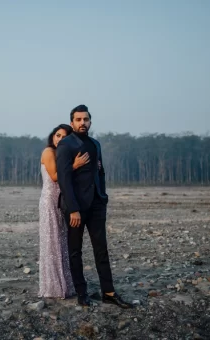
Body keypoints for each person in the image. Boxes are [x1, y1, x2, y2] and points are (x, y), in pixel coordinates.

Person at [55, 104, 132, 308]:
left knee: (101, 250)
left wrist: (103, 195)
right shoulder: (66, 145)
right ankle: (82, 293)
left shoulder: (96, 144)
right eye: (78, 120)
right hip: (76, 208)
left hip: (97, 204)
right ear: (72, 122)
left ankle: (109, 292)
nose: (83, 123)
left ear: (90, 121)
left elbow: (100, 172)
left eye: (86, 119)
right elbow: (63, 178)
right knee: (75, 251)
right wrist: (73, 208)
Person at [38, 124, 90, 298]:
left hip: (62, 201)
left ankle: (65, 284)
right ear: (53, 136)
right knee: (51, 242)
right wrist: (74, 166)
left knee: (61, 242)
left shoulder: (63, 154)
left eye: (64, 136)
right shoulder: (49, 152)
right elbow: (54, 177)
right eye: (57, 135)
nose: (60, 139)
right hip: (49, 202)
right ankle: (52, 286)